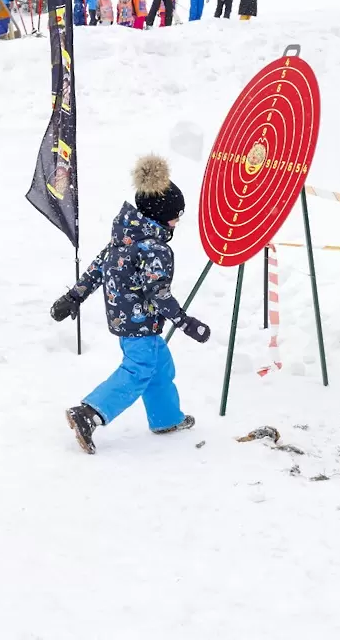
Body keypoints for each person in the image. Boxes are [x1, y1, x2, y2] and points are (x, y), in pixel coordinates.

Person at [50, 155, 210, 455]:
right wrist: (186, 322)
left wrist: (73, 296)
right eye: (176, 215)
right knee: (139, 369)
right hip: (140, 322)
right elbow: (157, 293)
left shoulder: (125, 237)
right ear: (162, 216)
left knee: (160, 366)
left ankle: (166, 418)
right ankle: (90, 413)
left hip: (123, 318)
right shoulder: (155, 249)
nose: (178, 220)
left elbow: (98, 267)